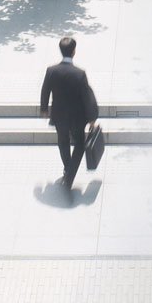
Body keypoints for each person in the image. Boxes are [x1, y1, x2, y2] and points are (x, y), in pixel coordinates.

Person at [39, 36, 99, 191]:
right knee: (79, 144)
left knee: (63, 142)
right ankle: (70, 174)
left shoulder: (51, 71)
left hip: (59, 115)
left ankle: (67, 169)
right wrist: (92, 118)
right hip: (77, 117)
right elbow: (87, 96)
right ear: (74, 52)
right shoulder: (79, 74)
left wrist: (44, 109)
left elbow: (45, 90)